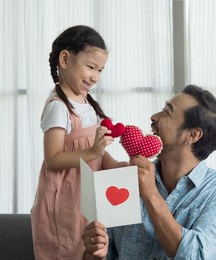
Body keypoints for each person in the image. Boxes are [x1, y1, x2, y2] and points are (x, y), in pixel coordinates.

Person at [82, 85, 216, 260]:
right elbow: (106, 253)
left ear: (192, 135)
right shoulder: (126, 179)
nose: (154, 117)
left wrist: (151, 194)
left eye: (167, 112)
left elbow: (196, 256)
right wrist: (96, 252)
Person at [30, 25, 129, 260]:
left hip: (88, 195)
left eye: (100, 70)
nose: (95, 76)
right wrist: (93, 150)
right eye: (91, 67)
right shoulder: (58, 106)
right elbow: (53, 158)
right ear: (65, 59)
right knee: (65, 248)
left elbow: (98, 152)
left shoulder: (86, 101)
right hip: (64, 198)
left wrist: (114, 165)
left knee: (91, 248)